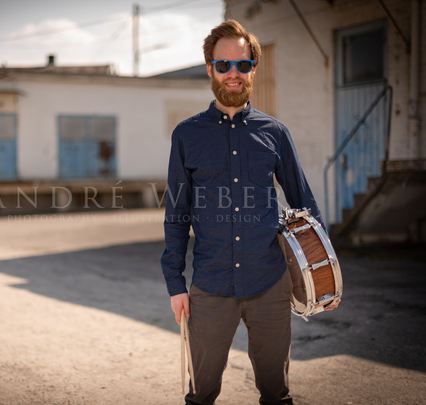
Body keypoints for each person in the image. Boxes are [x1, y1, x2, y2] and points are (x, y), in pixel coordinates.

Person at [160, 19, 337, 405]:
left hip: (270, 285)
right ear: (210, 69)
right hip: (210, 286)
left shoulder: (275, 133)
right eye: (223, 65)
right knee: (201, 393)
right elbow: (176, 214)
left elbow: (304, 203)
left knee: (277, 392)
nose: (233, 74)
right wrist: (175, 283)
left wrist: (324, 271)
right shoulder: (187, 135)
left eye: (242, 65)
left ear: (253, 68)